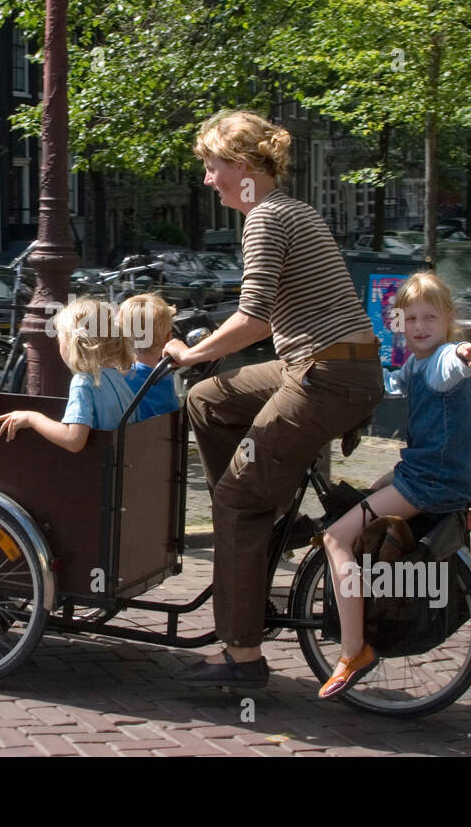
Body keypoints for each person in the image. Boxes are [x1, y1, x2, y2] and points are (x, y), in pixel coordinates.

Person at [164, 110, 384, 689]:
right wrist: (205, 358)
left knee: (235, 501)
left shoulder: (265, 219)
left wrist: (190, 353)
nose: (208, 180)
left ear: (239, 167)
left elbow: (255, 317)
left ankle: (242, 659)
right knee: (209, 399)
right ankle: (263, 519)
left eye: (211, 167)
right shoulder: (294, 210)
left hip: (325, 374)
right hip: (329, 368)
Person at [318, 271, 471, 699]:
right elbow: (391, 388)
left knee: (335, 537)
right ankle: (375, 584)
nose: (419, 327)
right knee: (365, 498)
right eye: (410, 319)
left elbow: (454, 367)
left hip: (429, 481)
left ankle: (353, 649)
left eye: (429, 318)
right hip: (424, 471)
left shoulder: (444, 358)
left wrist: (467, 355)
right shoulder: (414, 363)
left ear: (449, 320)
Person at [0, 297, 136, 451]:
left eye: (59, 337)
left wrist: (32, 418)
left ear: (71, 341)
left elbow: (74, 440)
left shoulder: (83, 382)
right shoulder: (118, 377)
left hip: (99, 469)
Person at [119, 293, 179, 421]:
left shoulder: (122, 375)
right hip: (164, 436)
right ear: (168, 338)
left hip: (130, 437)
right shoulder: (166, 375)